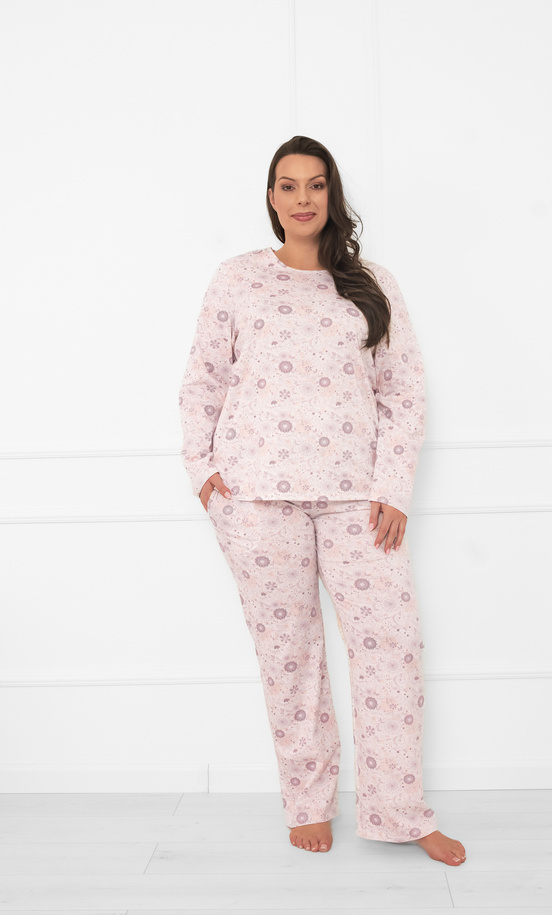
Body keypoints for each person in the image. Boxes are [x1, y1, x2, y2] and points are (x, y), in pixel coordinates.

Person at [178, 135, 466, 866]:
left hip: (355, 500)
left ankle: (399, 811)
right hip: (255, 498)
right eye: (288, 185)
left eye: (315, 184)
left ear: (332, 195)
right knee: (290, 656)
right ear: (272, 198)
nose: (302, 198)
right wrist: (203, 472)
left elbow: (402, 392)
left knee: (391, 647)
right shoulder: (238, 278)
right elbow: (203, 379)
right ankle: (307, 803)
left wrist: (392, 488)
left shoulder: (370, 283)